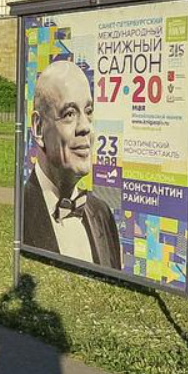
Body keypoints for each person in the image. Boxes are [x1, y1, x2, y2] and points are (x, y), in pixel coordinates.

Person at [24, 60, 121, 270]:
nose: (86, 127)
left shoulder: (102, 214)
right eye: (69, 114)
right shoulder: (20, 212)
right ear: (39, 128)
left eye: (88, 111)